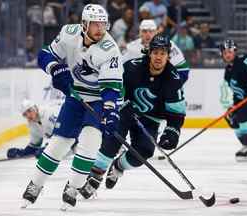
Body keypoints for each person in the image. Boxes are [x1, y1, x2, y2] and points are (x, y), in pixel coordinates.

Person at [21, 4, 123, 209]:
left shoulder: (110, 49)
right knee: (59, 142)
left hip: (100, 99)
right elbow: (44, 55)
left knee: (90, 143)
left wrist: (111, 111)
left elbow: (111, 88)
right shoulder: (68, 33)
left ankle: (73, 187)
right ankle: (35, 184)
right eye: (95, 24)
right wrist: (55, 69)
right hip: (76, 97)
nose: (100, 29)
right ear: (84, 24)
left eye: (103, 24)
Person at [79, 33, 186, 201]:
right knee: (112, 140)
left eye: (163, 53)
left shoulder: (173, 79)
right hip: (125, 111)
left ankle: (118, 166)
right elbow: (115, 86)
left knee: (143, 152)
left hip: (151, 119)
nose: (159, 57)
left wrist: (172, 132)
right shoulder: (131, 67)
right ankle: (95, 176)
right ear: (149, 52)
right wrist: (121, 103)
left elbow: (177, 112)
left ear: (168, 55)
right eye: (156, 52)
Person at [122, 19, 190, 83]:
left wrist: (171, 86)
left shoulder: (169, 45)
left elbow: (183, 70)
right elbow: (121, 70)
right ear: (139, 32)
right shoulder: (131, 47)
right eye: (144, 31)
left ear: (156, 32)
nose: (148, 34)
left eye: (151, 31)